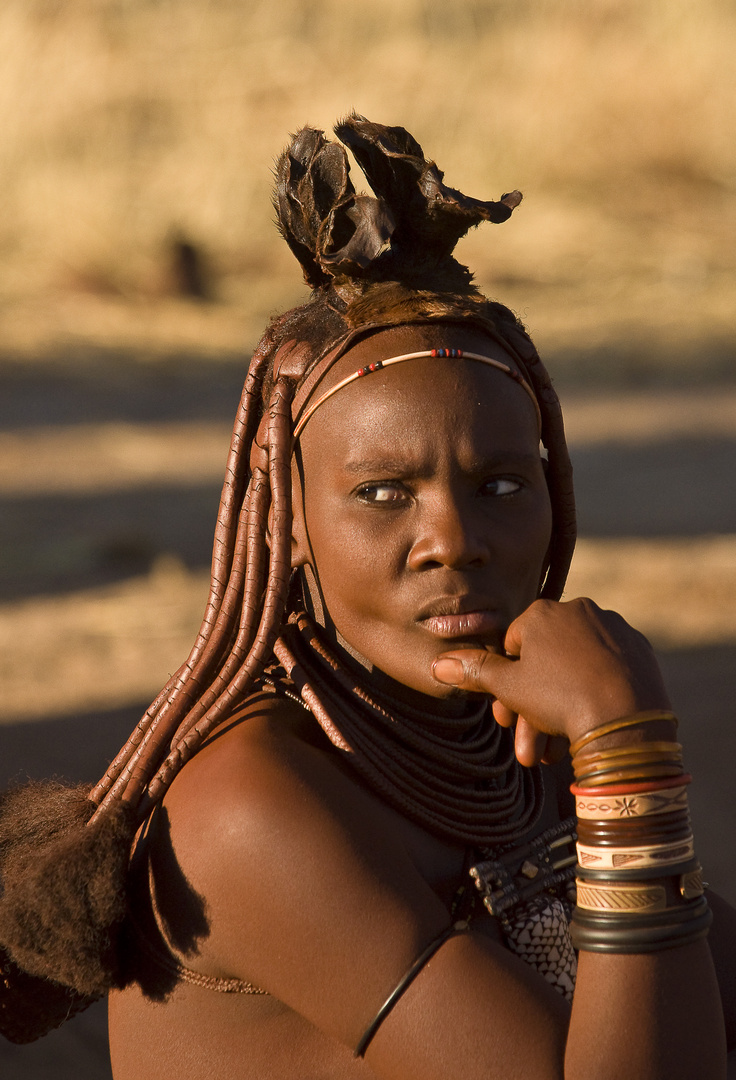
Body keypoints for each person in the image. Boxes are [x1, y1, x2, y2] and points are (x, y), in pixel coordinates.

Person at [1, 116, 734, 1078]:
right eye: (384, 494)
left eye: (502, 486)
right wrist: (627, 755)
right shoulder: (251, 807)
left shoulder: (512, 733)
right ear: (292, 521)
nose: (454, 543)